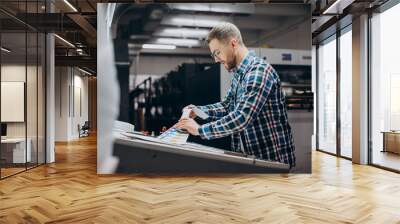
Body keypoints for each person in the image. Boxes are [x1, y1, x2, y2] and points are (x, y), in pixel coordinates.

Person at [174, 22, 296, 168]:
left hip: (272, 160)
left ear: (233, 43)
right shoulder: (239, 74)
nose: (216, 60)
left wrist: (199, 130)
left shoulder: (258, 72)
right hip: (251, 159)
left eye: (217, 53)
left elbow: (242, 117)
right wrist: (199, 111)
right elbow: (227, 106)